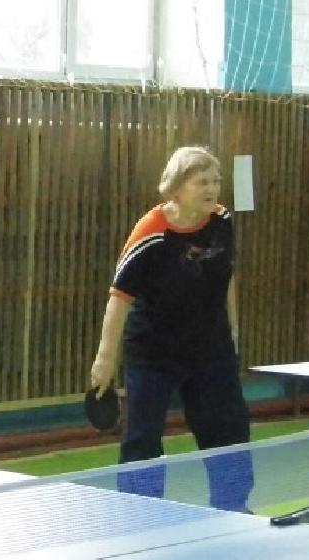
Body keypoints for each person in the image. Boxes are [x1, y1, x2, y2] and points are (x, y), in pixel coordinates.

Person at [89, 146, 251, 511]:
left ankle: (234, 507)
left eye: (216, 181)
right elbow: (119, 297)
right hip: (155, 352)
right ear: (176, 189)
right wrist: (105, 358)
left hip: (210, 349)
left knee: (228, 428)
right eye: (202, 182)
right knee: (143, 439)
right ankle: (140, 511)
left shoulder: (222, 220)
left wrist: (233, 328)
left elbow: (226, 276)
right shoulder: (151, 233)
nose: (212, 189)